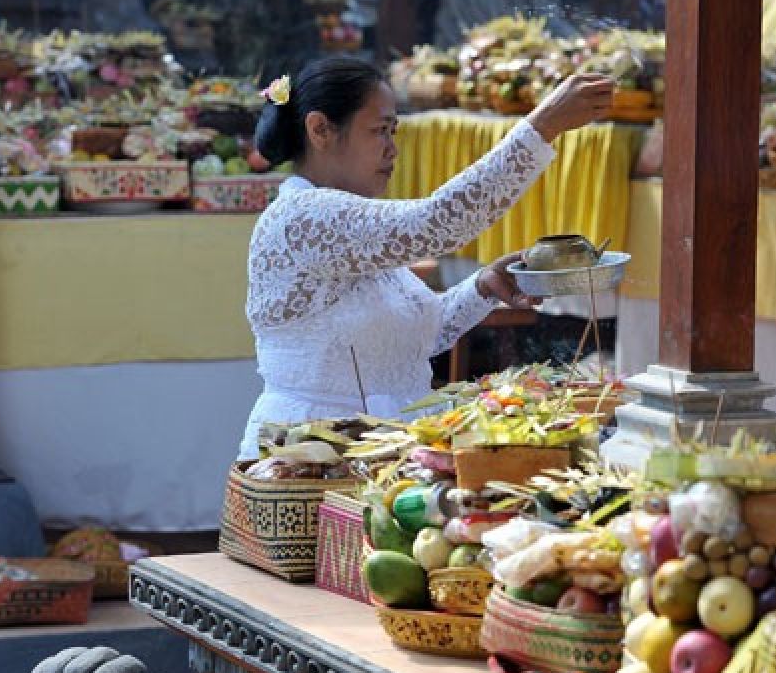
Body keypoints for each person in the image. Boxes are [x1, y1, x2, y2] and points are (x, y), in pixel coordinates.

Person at [238, 56, 613, 459]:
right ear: (320, 130)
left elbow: (416, 340)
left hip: (378, 449)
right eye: (380, 131)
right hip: (311, 456)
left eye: (393, 131)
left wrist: (482, 287)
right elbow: (435, 223)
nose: (392, 150)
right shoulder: (302, 217)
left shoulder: (346, 223)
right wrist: (541, 128)